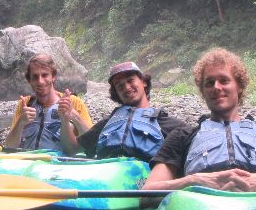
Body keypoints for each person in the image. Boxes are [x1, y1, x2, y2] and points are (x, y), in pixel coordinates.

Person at [143, 48, 256, 192]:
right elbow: (148, 192)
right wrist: (193, 181)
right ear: (203, 92)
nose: (216, 87)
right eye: (209, 83)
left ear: (239, 86)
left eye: (224, 80)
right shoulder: (182, 137)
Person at [58, 60, 187, 162]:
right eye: (119, 85)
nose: (126, 87)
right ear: (117, 93)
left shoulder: (167, 124)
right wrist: (64, 119)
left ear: (144, 82)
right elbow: (71, 149)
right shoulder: (108, 124)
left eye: (131, 80)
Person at [4, 53, 93, 151]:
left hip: (59, 163)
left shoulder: (73, 102)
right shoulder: (25, 104)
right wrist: (20, 122)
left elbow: (93, 143)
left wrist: (75, 117)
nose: (40, 81)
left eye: (45, 75)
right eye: (35, 77)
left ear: (53, 76)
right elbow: (9, 147)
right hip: (28, 162)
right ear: (30, 80)